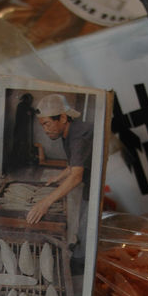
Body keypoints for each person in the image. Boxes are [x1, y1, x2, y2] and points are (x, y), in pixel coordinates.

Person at [28, 93, 93, 266]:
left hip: (99, 185)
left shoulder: (79, 136)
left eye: (47, 124)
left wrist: (45, 203)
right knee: (83, 218)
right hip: (89, 181)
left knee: (88, 221)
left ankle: (80, 262)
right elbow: (74, 164)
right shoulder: (68, 132)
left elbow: (76, 176)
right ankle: (79, 246)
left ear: (63, 118)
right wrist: (58, 177)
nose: (45, 130)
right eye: (42, 125)